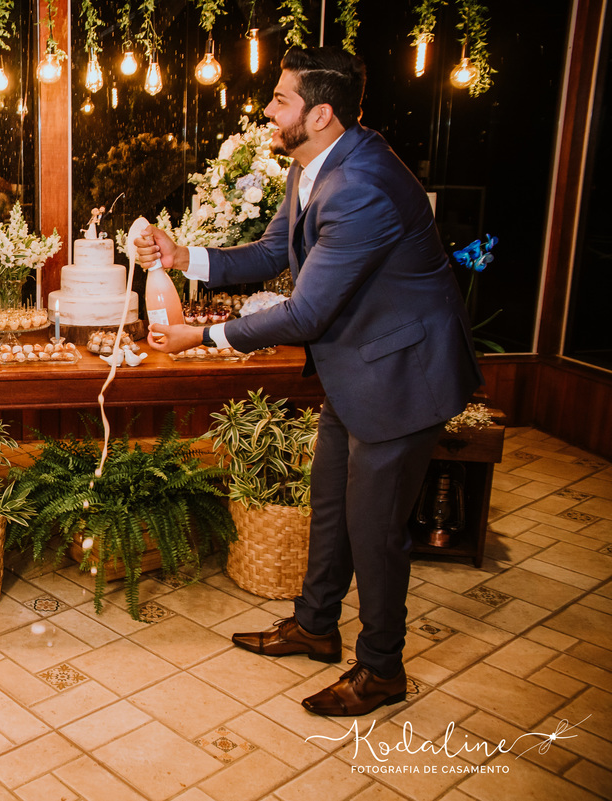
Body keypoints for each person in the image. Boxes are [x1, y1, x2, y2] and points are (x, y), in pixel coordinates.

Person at [136, 47, 483, 717]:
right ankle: (315, 625)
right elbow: (273, 253)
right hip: (355, 370)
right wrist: (187, 257)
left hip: (401, 378)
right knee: (330, 506)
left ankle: (382, 668)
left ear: (320, 113)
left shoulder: (362, 187)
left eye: (281, 99)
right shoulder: (315, 166)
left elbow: (308, 311)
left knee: (376, 530)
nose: (268, 109)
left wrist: (201, 340)